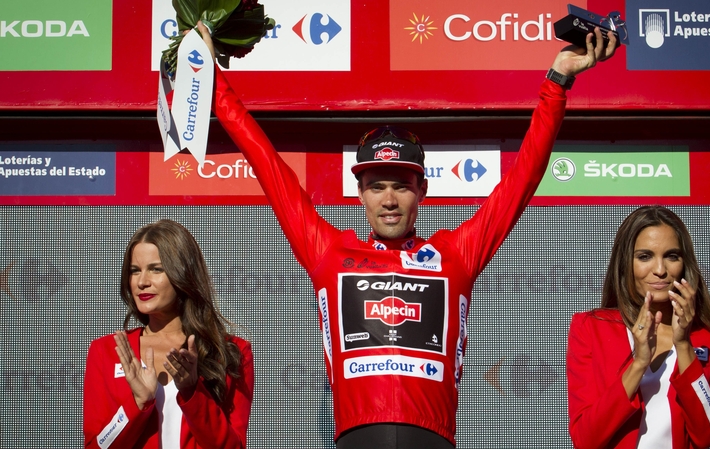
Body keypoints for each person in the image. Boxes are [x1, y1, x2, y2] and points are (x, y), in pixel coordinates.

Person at [201, 22, 617, 448]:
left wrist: (558, 81)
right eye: (377, 186)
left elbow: (523, 177)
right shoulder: (329, 251)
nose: (389, 199)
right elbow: (266, 162)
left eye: (401, 185)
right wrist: (210, 80)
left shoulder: (456, 253)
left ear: (422, 190)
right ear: (360, 193)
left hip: (432, 438)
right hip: (356, 437)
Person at [566, 206, 710, 449]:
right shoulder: (591, 328)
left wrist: (684, 345)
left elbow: (709, 434)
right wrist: (638, 364)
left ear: (684, 263)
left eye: (672, 256)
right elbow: (586, 439)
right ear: (625, 263)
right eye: (645, 256)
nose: (660, 270)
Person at [83, 219, 254, 449]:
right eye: (135, 271)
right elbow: (98, 446)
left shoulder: (232, 353)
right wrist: (138, 404)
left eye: (156, 269)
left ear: (183, 272)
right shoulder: (105, 351)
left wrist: (193, 392)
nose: (142, 282)